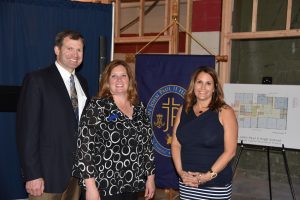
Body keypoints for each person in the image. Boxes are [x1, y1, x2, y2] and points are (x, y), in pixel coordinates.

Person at [16, 30, 89, 200]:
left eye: (79, 50)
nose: (75, 54)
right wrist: (32, 174)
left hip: (75, 177)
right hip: (46, 177)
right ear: (57, 50)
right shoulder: (37, 80)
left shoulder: (82, 83)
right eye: (69, 48)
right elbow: (27, 131)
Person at [72, 59, 155, 200]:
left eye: (123, 75)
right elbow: (84, 149)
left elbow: (147, 146)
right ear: (107, 81)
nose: (119, 80)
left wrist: (151, 178)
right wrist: (91, 188)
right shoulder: (97, 107)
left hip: (131, 185)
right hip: (103, 187)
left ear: (130, 80)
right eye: (114, 76)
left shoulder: (140, 108)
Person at [171, 67, 238, 199]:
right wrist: (181, 172)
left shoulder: (225, 112)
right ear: (193, 85)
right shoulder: (183, 109)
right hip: (187, 184)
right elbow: (175, 144)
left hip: (215, 185)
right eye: (199, 82)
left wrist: (207, 176)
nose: (203, 87)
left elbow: (230, 152)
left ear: (214, 88)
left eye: (208, 83)